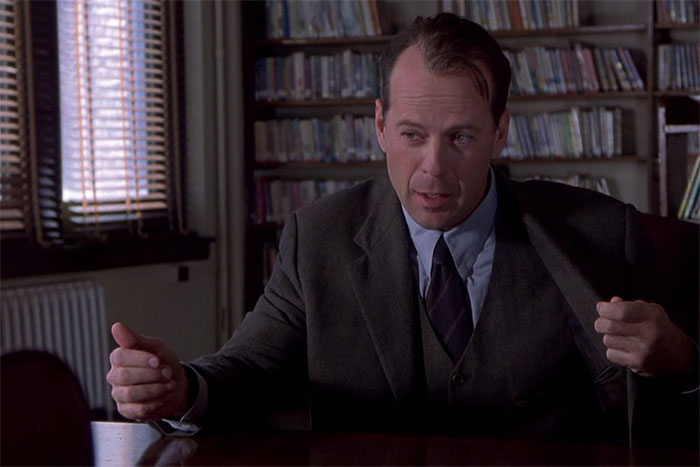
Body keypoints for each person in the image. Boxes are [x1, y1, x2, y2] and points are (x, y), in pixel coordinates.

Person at [108, 13, 698, 447]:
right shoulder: (317, 240)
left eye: (461, 137)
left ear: (500, 134)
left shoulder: (599, 234)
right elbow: (249, 371)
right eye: (413, 135)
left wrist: (682, 361)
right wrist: (180, 389)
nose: (433, 168)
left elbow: (668, 412)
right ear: (380, 126)